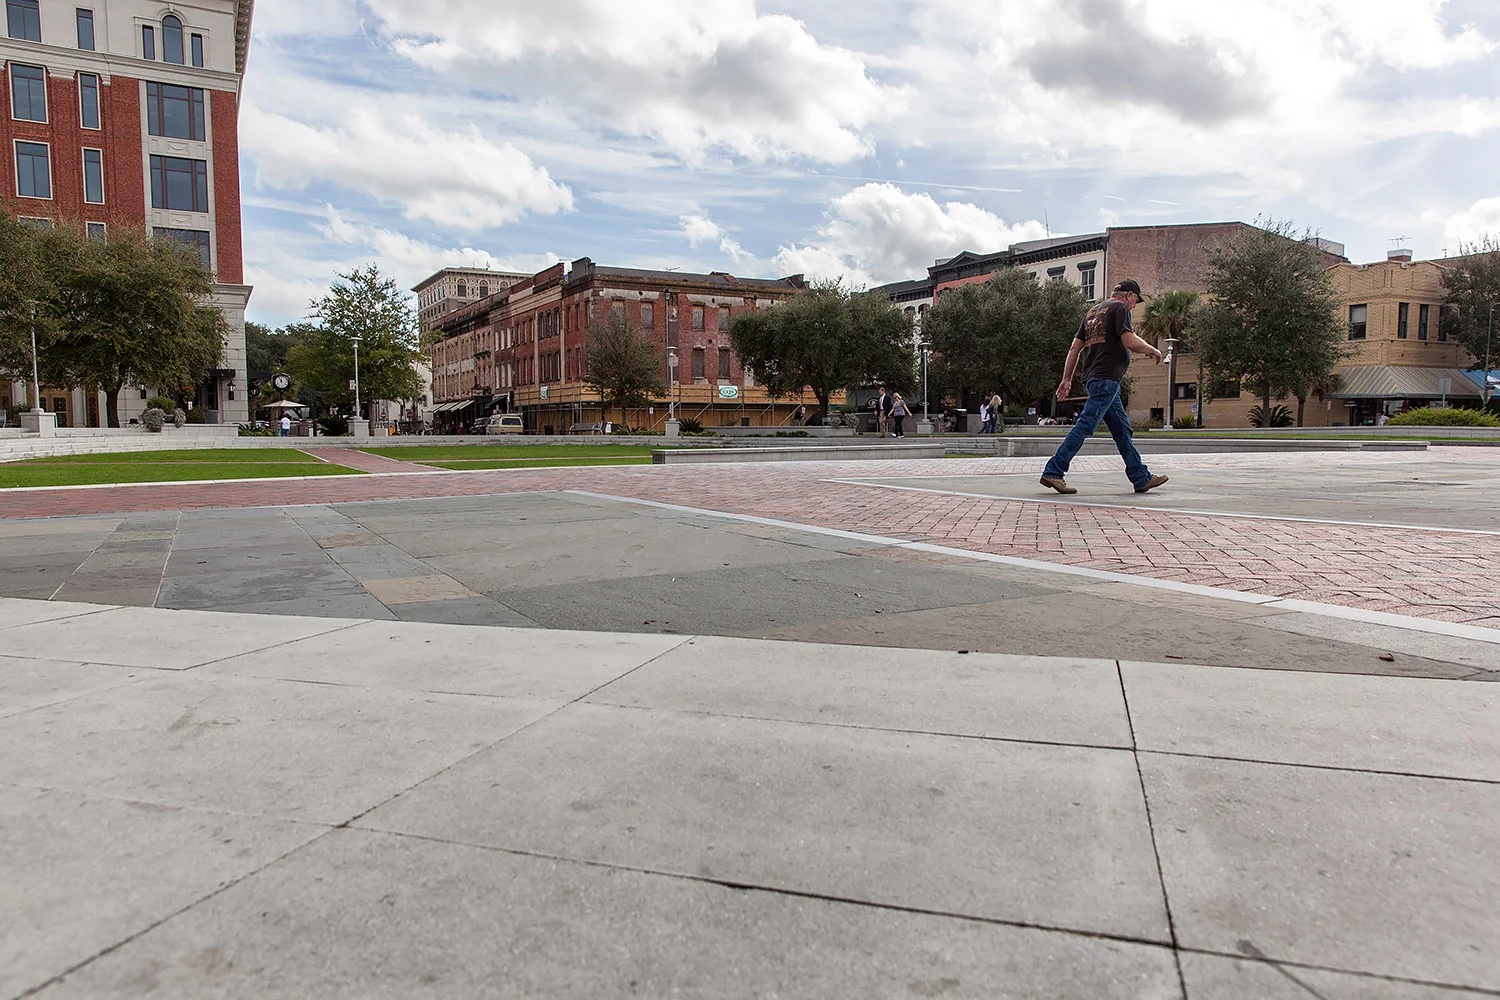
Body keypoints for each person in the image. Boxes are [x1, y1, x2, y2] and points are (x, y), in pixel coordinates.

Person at [1040, 279, 1169, 495]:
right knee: (1086, 425)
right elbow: (1130, 341)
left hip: (1097, 378)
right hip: (1106, 378)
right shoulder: (1119, 308)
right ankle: (1054, 470)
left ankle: (1141, 478)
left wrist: (1066, 379)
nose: (1134, 306)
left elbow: (1074, 348)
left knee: (1122, 430)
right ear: (1128, 295)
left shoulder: (1092, 312)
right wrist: (1153, 350)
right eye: (1135, 301)